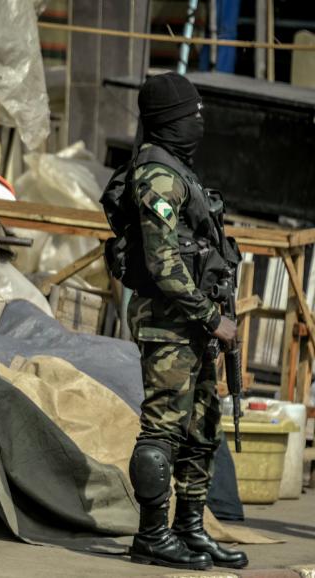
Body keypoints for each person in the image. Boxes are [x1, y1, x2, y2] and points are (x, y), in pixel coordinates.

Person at [124, 72, 247, 571]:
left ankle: (189, 530)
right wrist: (212, 317)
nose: (199, 123)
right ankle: (152, 535)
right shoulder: (157, 176)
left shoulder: (179, 170)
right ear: (171, 120)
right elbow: (162, 263)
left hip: (192, 324)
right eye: (192, 115)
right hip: (169, 324)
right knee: (162, 433)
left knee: (202, 429)